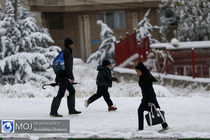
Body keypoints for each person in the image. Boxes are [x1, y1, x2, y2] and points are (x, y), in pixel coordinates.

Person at [50, 37, 81, 117]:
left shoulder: (63, 52)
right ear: (69, 44)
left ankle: (72, 110)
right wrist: (71, 77)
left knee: (72, 90)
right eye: (72, 44)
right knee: (60, 94)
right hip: (64, 77)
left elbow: (59, 66)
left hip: (62, 76)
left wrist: (57, 79)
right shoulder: (67, 53)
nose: (72, 45)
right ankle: (53, 112)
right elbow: (68, 67)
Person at [135, 62, 169, 131]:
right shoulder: (142, 78)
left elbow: (151, 91)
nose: (137, 73)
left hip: (150, 99)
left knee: (152, 111)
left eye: (138, 71)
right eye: (136, 71)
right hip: (146, 98)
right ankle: (164, 125)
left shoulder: (147, 79)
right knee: (154, 111)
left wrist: (152, 101)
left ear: (142, 70)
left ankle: (140, 128)